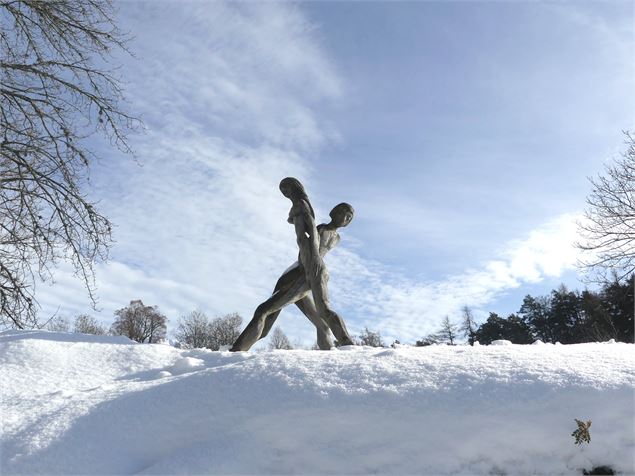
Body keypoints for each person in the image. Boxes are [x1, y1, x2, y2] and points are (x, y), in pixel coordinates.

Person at [230, 178, 354, 351]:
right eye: (343, 212)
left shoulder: (320, 226)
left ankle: (236, 351)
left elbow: (308, 238)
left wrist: (313, 263)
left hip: (310, 270)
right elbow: (306, 235)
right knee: (321, 323)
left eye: (348, 217)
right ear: (334, 211)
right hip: (304, 269)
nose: (344, 217)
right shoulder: (323, 228)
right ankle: (333, 351)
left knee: (266, 311)